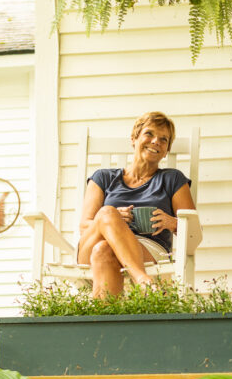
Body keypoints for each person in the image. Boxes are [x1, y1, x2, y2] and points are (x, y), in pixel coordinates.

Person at [77, 112, 196, 297]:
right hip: (91, 247)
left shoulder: (173, 179)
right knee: (107, 213)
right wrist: (112, 219)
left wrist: (171, 222)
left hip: (148, 250)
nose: (156, 141)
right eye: (149, 134)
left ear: (166, 150)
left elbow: (194, 232)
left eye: (163, 139)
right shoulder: (102, 178)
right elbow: (85, 227)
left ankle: (104, 321)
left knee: (104, 250)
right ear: (134, 139)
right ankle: (142, 279)